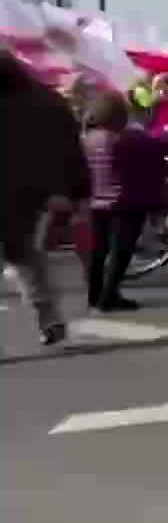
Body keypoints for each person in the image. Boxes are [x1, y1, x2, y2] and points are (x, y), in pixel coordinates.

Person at [1, 51, 90, 347]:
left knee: (24, 255)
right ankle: (47, 314)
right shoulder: (50, 100)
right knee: (25, 254)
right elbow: (70, 148)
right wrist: (76, 189)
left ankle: (48, 315)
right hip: (32, 193)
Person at [82, 90, 168, 311]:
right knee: (121, 252)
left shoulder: (86, 139)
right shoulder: (127, 139)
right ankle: (109, 296)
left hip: (95, 201)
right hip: (125, 203)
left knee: (98, 250)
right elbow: (157, 155)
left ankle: (94, 294)